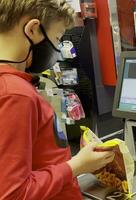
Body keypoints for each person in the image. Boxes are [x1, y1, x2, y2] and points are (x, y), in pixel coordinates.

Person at [0, 0, 115, 199]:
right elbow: (13, 194)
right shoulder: (15, 94)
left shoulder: (13, 86)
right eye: (57, 37)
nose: (57, 48)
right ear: (33, 29)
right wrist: (77, 166)